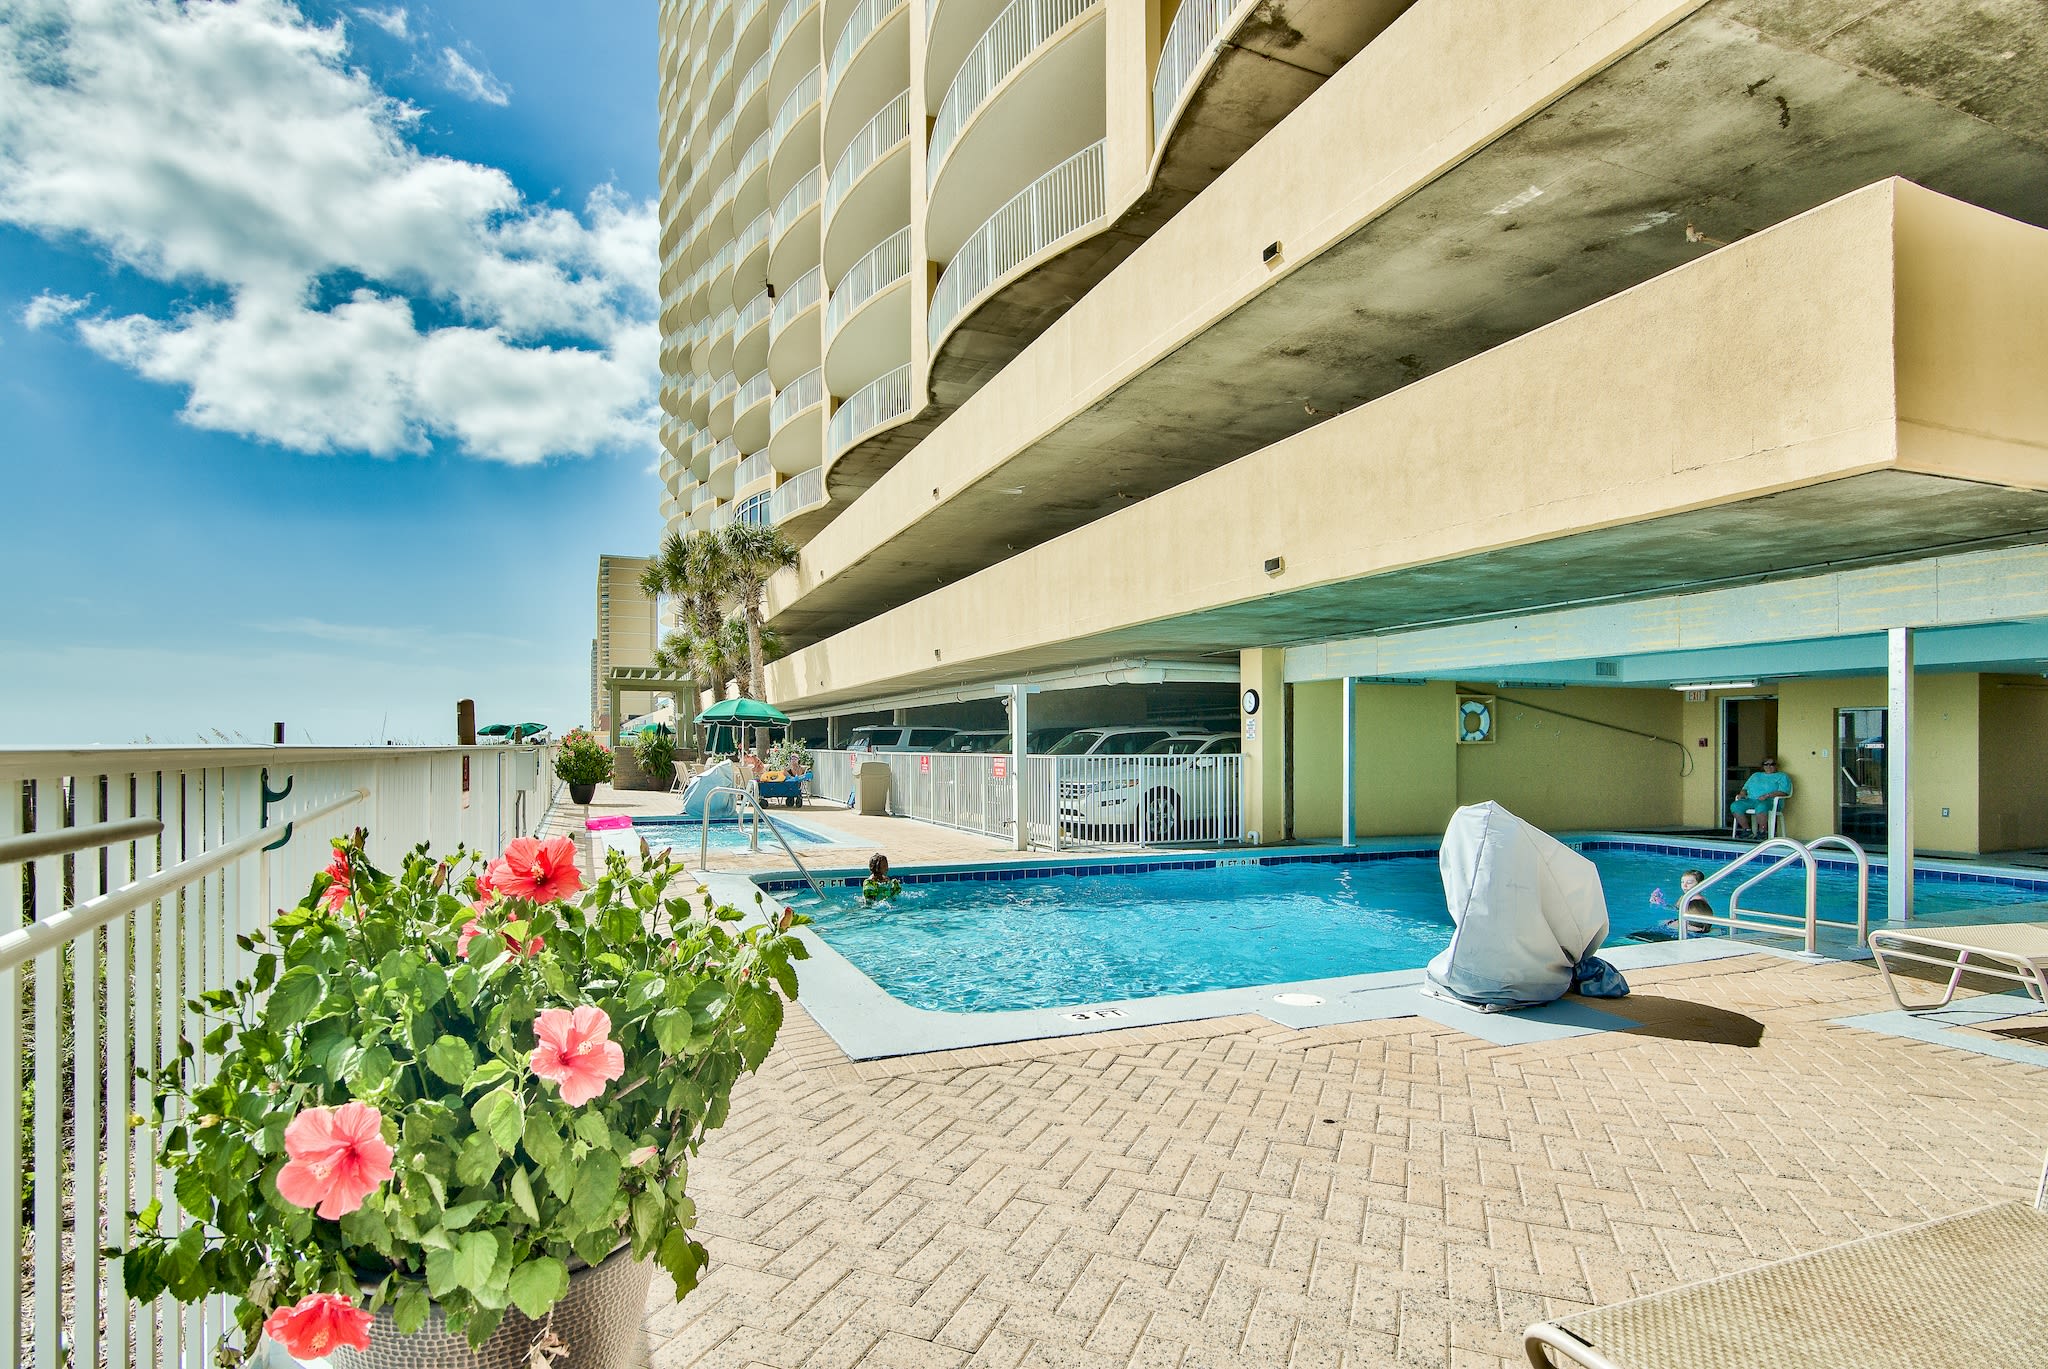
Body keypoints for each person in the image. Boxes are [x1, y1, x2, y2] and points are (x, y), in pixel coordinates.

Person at [1729, 757, 1791, 838]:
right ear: (1763, 766)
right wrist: (1742, 794)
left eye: (1772, 764)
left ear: (1776, 766)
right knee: (1735, 806)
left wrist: (1767, 795)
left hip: (1770, 801)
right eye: (1766, 764)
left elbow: (1784, 792)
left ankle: (1762, 832)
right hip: (1751, 800)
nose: (1769, 766)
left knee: (1761, 806)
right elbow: (1745, 788)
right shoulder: (1756, 775)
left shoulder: (1782, 776)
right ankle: (1747, 830)